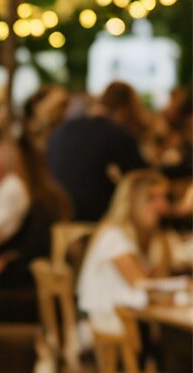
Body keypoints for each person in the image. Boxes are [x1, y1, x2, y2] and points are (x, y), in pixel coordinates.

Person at [77, 169, 174, 341]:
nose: (162, 206)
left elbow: (159, 277)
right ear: (132, 202)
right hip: (105, 337)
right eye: (152, 198)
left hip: (122, 329)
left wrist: (162, 237)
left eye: (164, 197)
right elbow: (142, 285)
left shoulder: (142, 236)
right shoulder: (114, 236)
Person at [46, 90, 146, 222]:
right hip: (95, 221)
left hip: (58, 218)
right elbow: (143, 178)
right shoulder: (117, 134)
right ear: (124, 111)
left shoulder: (60, 131)